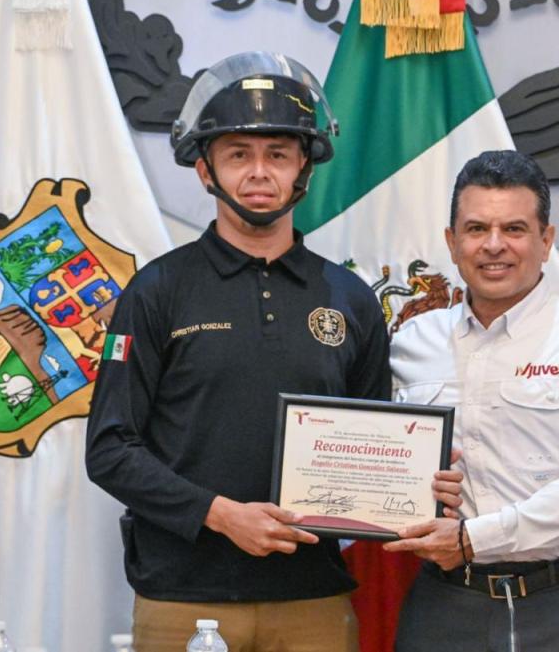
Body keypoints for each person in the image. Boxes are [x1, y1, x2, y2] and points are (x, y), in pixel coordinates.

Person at [85, 52, 461, 652]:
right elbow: (109, 450)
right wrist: (220, 514)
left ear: (304, 171)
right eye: (238, 154)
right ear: (205, 170)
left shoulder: (351, 298)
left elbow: (374, 443)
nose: (259, 172)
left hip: (313, 600)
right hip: (182, 598)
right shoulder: (155, 292)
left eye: (278, 155)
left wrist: (417, 483)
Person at [383, 150, 559, 652]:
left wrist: (473, 539)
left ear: (546, 241)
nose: (494, 246)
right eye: (477, 228)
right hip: (446, 605)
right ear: (452, 243)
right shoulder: (411, 341)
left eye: (515, 229)